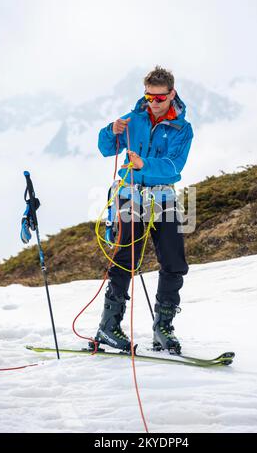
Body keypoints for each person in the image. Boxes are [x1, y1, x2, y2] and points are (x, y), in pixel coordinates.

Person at [95, 66, 193, 354]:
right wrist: (109, 131)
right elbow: (105, 148)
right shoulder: (134, 118)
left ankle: (163, 328)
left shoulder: (182, 129)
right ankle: (108, 326)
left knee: (175, 262)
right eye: (148, 96)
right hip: (129, 196)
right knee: (126, 258)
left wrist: (144, 165)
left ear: (171, 94)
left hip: (164, 199)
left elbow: (175, 167)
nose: (153, 102)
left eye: (159, 98)